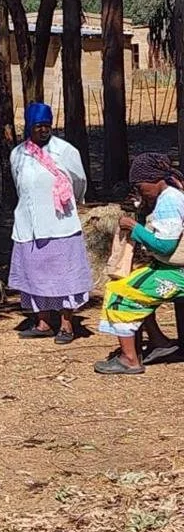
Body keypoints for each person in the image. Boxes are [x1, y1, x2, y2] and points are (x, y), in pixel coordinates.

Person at [8, 103, 92, 344]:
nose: (43, 130)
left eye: (47, 126)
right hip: (29, 224)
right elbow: (18, 185)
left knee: (64, 276)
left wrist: (67, 201)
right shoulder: (18, 154)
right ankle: (43, 322)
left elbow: (79, 182)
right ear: (29, 127)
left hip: (60, 224)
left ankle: (66, 325)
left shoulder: (65, 151)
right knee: (35, 274)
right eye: (38, 126)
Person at [97, 153, 184, 375]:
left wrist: (134, 228)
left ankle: (130, 359)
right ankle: (160, 342)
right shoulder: (166, 197)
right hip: (169, 267)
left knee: (120, 294)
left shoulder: (170, 201)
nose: (140, 190)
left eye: (140, 185)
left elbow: (165, 247)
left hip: (177, 272)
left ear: (154, 179)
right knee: (131, 285)